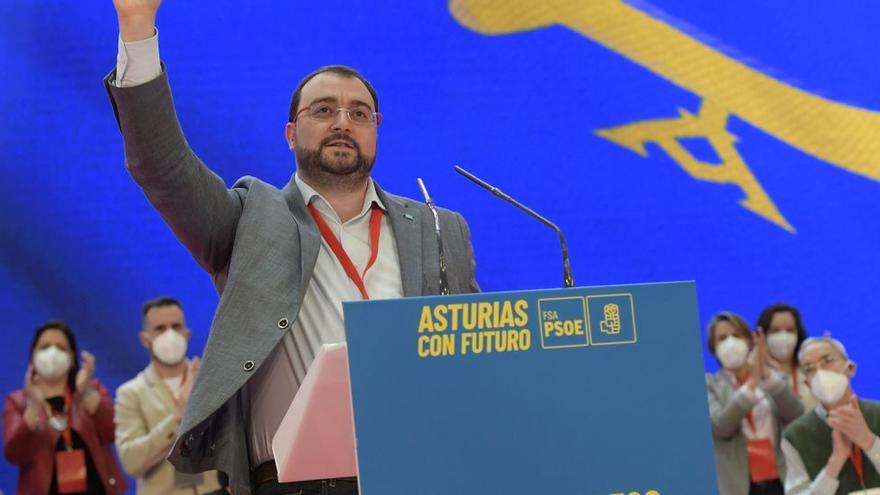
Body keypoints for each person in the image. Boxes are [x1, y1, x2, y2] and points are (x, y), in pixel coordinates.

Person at [105, 1, 479, 493]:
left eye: (359, 113)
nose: (343, 122)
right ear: (290, 133)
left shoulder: (437, 227)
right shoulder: (250, 219)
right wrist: (136, 27)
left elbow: (476, 353)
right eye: (323, 110)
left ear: (376, 131)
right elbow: (162, 166)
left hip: (415, 474)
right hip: (294, 483)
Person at [115, 297, 226, 494]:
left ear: (187, 333)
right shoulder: (130, 393)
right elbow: (131, 462)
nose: (170, 335)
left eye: (176, 326)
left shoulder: (209, 380)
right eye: (160, 328)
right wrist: (178, 419)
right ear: (144, 339)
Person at [3, 321, 127, 495]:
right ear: (32, 356)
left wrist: (85, 394)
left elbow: (113, 432)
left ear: (71, 357)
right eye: (45, 347)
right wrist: (34, 407)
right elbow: (14, 454)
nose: (52, 353)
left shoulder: (91, 389)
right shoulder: (18, 402)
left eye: (61, 348)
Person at [705, 312, 804, 495]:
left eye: (736, 335)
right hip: (738, 484)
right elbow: (721, 427)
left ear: (750, 340)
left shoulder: (774, 378)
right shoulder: (710, 384)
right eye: (722, 338)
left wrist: (764, 375)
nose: (730, 343)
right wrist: (751, 384)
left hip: (782, 478)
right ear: (713, 347)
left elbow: (797, 416)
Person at [781, 336, 880, 494]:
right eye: (809, 368)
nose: (820, 372)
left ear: (850, 368)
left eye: (827, 360)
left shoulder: (877, 413)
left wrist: (869, 441)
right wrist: (835, 462)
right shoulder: (795, 436)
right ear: (807, 383)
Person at [755, 303, 815, 411]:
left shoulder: (810, 371)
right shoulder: (755, 375)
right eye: (775, 330)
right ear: (762, 335)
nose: (784, 336)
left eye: (790, 330)